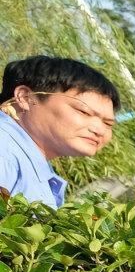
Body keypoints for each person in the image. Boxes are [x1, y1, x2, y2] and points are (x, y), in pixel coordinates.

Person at [0, 55, 119, 207]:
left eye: (108, 123)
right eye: (84, 112)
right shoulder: (4, 152)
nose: (100, 130)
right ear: (25, 98)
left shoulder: (23, 158)